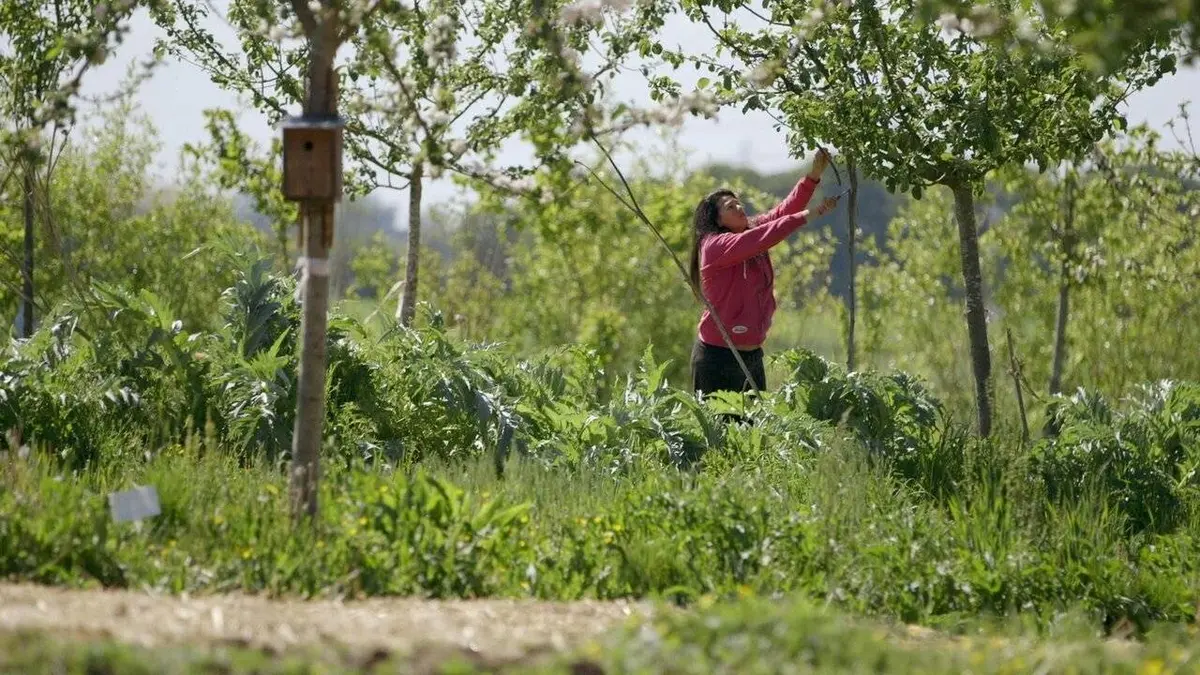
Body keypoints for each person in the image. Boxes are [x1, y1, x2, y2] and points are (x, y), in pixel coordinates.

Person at [688, 148, 838, 397]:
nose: (739, 206)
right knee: (718, 435)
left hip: (752, 356)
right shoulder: (714, 246)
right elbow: (763, 237)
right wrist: (813, 213)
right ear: (717, 219)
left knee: (753, 433)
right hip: (717, 356)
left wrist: (812, 177)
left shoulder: (749, 230)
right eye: (730, 206)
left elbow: (782, 213)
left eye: (738, 202)